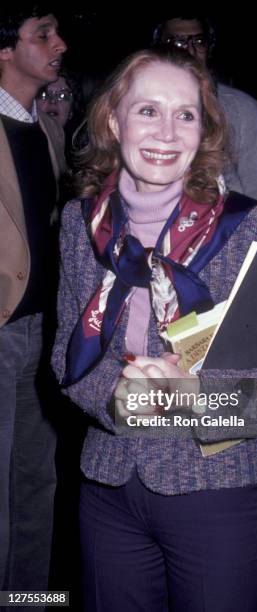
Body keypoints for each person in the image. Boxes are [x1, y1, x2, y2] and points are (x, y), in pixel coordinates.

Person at [52, 46, 257, 612]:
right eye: (147, 110)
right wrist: (116, 401)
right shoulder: (80, 223)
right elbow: (67, 354)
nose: (167, 131)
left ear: (203, 129)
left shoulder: (247, 226)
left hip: (218, 490)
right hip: (108, 489)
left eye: (186, 114)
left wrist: (199, 402)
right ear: (113, 120)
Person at [0, 3, 66, 600]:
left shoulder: (43, 121)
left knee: (33, 485)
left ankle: (28, 597)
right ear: (3, 48)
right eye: (43, 35)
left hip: (41, 331)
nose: (59, 44)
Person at [153, 15, 257, 225]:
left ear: (209, 49)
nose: (188, 50)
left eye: (198, 42)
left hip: (225, 243)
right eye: (177, 41)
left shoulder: (242, 110)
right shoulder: (136, 109)